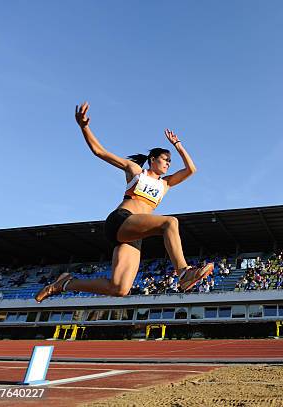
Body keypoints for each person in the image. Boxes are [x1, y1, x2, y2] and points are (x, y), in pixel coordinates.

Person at [35, 102, 213, 302]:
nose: (168, 163)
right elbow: (100, 152)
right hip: (121, 220)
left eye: (170, 161)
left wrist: (178, 145)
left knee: (119, 288)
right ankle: (183, 273)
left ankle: (64, 283)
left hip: (134, 234)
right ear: (152, 159)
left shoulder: (166, 184)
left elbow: (191, 170)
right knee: (170, 222)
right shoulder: (136, 171)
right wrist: (84, 126)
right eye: (165, 159)